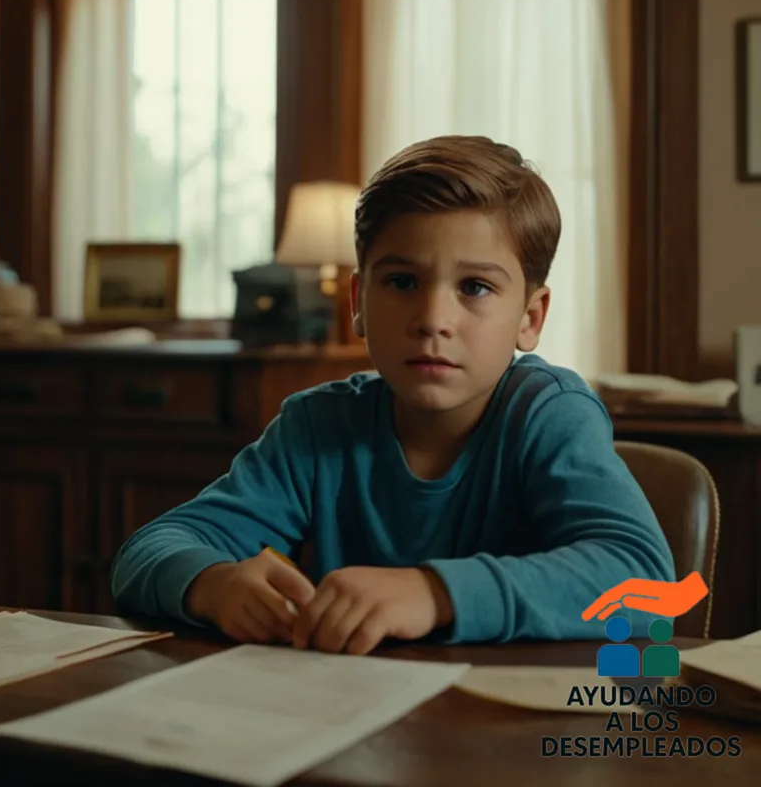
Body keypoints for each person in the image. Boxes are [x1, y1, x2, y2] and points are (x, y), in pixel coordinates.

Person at [110, 135, 676, 656]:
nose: (432, 319)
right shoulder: (317, 427)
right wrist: (213, 584)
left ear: (530, 317)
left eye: (474, 287)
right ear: (358, 299)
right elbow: (149, 549)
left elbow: (643, 578)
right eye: (402, 282)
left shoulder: (549, 414)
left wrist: (433, 593)